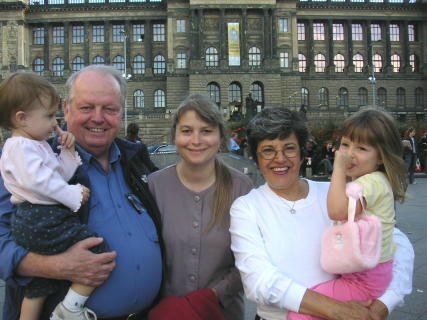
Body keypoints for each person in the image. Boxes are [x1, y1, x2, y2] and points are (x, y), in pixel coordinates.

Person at [0, 65, 163, 319]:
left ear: (121, 113)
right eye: (86, 108)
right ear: (66, 109)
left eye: (109, 109)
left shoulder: (137, 159)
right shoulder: (28, 162)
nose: (98, 118)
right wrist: (54, 266)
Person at [229, 107, 414, 320]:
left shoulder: (333, 194)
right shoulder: (246, 208)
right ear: (256, 158)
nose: (279, 159)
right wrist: (334, 308)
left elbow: (399, 245)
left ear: (301, 154)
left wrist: (385, 302)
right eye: (268, 150)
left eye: (289, 148)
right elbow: (259, 281)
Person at [0, 72, 108, 320]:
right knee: (98, 248)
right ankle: (70, 309)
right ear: (22, 118)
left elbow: (58, 175)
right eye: (49, 116)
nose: (55, 123)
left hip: (38, 219)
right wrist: (74, 194)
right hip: (40, 218)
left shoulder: (34, 145)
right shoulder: (18, 147)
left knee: (37, 288)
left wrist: (68, 152)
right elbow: (39, 182)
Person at [287, 109, 408, 320]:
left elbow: (337, 210)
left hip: (365, 279)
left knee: (299, 314)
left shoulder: (372, 182)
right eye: (345, 144)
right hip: (365, 274)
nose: (349, 154)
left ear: (380, 156)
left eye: (361, 148)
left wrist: (338, 170)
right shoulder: (367, 181)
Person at [148, 93, 253, 320]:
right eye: (187, 131)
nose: (196, 140)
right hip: (166, 313)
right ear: (175, 136)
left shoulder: (241, 187)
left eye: (206, 131)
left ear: (220, 137)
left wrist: (213, 296)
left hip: (223, 313)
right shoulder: (154, 186)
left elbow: (251, 259)